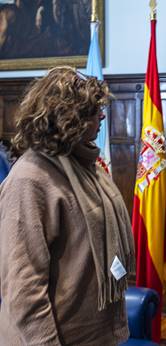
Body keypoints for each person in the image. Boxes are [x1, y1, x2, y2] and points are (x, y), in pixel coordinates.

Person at [0, 66, 135, 345]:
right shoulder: (29, 179)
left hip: (96, 334)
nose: (102, 115)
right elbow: (24, 290)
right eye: (90, 110)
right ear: (64, 117)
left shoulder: (86, 165)